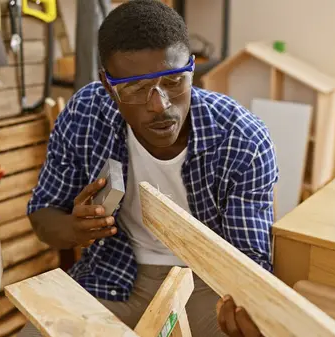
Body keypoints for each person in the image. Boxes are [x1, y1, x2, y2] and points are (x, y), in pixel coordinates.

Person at [17, 0, 278, 336]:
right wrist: (74, 229)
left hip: (207, 283)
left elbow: (249, 260)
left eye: (173, 81)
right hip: (113, 273)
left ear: (192, 68)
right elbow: (42, 217)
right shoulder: (84, 113)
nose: (159, 105)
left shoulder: (242, 138)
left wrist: (250, 309)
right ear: (109, 86)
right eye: (136, 89)